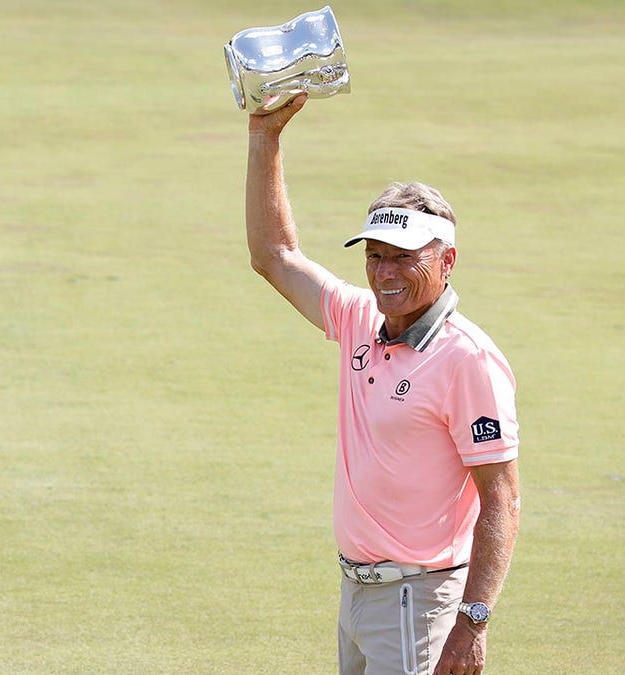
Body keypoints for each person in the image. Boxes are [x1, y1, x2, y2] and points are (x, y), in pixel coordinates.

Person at [244, 93, 521, 675]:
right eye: (374, 256)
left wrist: (472, 622)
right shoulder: (358, 319)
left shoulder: (468, 359)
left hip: (417, 603)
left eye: (403, 257)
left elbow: (503, 499)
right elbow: (274, 254)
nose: (384, 273)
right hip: (358, 594)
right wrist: (264, 138)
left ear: (447, 261)